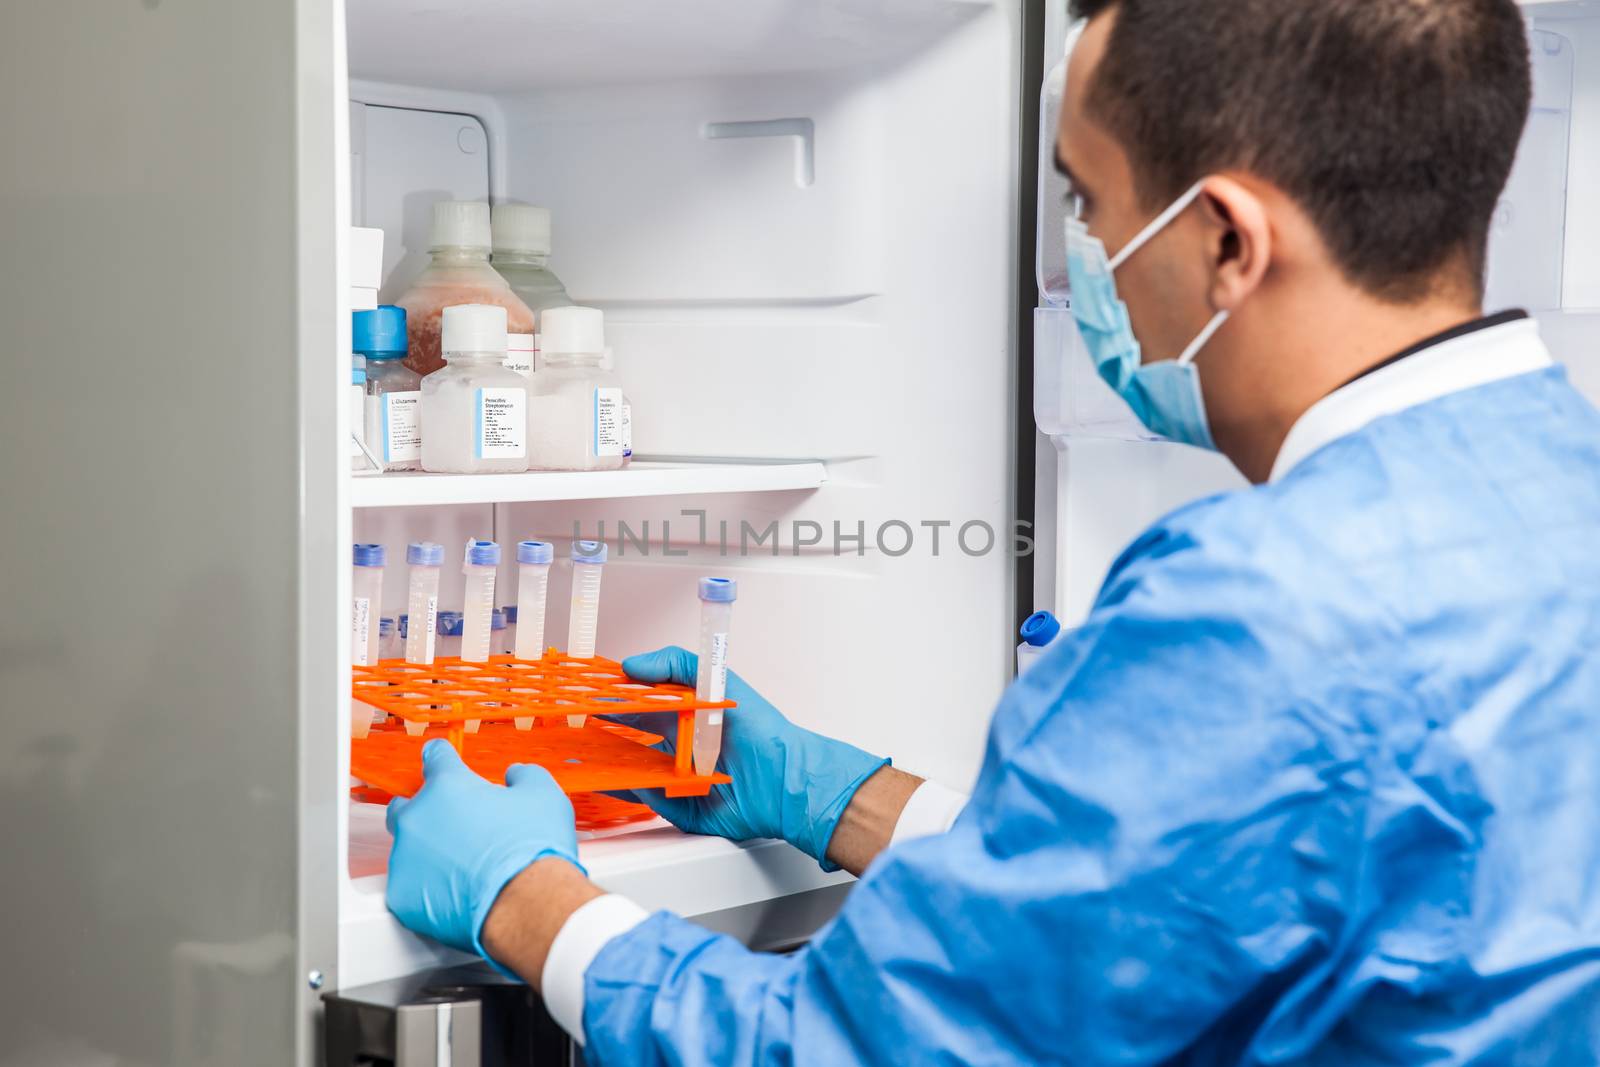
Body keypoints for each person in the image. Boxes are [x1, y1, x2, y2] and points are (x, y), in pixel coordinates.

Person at [384, 0, 1600, 1061]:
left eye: (1091, 205)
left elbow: (855, 1053)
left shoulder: (1257, 605)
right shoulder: (1561, 485)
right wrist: (837, 798)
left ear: (1228, 239)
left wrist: (527, 896)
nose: (1087, 272)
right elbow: (1218, 896)